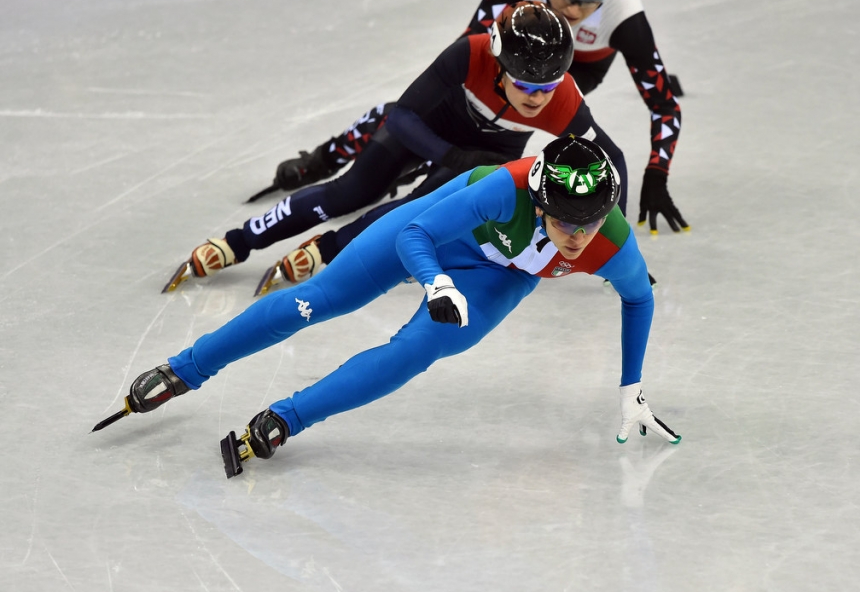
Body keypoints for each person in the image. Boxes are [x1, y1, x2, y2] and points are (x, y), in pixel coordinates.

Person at [95, 136, 681, 478]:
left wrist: (631, 388)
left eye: (588, 224)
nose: (575, 238)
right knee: (318, 300)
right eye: (560, 221)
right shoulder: (508, 186)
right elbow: (415, 236)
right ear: (537, 199)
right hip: (434, 237)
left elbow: (639, 299)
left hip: (497, 279)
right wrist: (435, 284)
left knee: (413, 353)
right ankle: (184, 369)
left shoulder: (612, 243)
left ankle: (287, 418)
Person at [164, 1, 631, 294]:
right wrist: (449, 155)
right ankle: (239, 241)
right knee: (346, 194)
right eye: (526, 82)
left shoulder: (564, 101)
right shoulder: (468, 54)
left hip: (483, 158)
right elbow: (402, 116)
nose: (537, 97)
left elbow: (614, 160)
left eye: (549, 84)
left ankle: (328, 248)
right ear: (498, 64)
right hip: (427, 130)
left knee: (409, 212)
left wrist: (617, 244)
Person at [257, 0, 686, 234]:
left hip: (571, 72)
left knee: (494, 129)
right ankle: (328, 156)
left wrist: (656, 175)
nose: (573, 10)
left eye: (588, 4)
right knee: (420, 112)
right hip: (511, 55)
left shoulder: (626, 18)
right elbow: (474, 51)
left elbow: (663, 106)